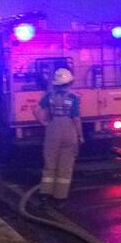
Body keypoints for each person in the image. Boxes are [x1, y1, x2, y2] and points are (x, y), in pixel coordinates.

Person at [34, 68, 83, 204]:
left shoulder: (48, 96)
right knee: (65, 165)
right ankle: (60, 197)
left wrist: (44, 122)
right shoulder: (74, 98)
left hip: (53, 127)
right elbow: (76, 118)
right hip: (69, 130)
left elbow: (36, 110)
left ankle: (45, 194)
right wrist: (80, 135)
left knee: (50, 162)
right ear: (70, 83)